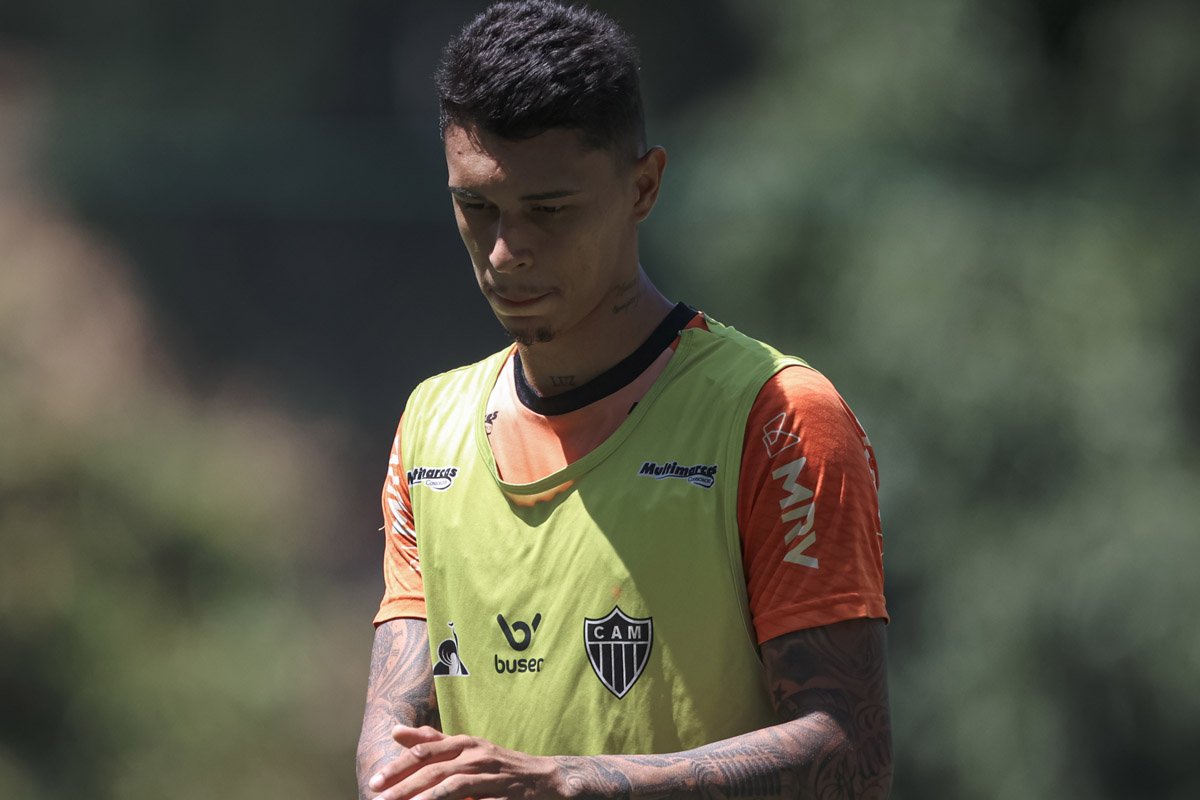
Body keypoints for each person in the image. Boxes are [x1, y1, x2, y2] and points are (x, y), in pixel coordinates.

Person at [356, 2, 891, 798]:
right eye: (477, 208)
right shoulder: (430, 427)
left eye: (549, 211)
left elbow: (853, 755)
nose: (506, 252)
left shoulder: (778, 418)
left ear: (643, 186)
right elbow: (391, 735)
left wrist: (577, 782)